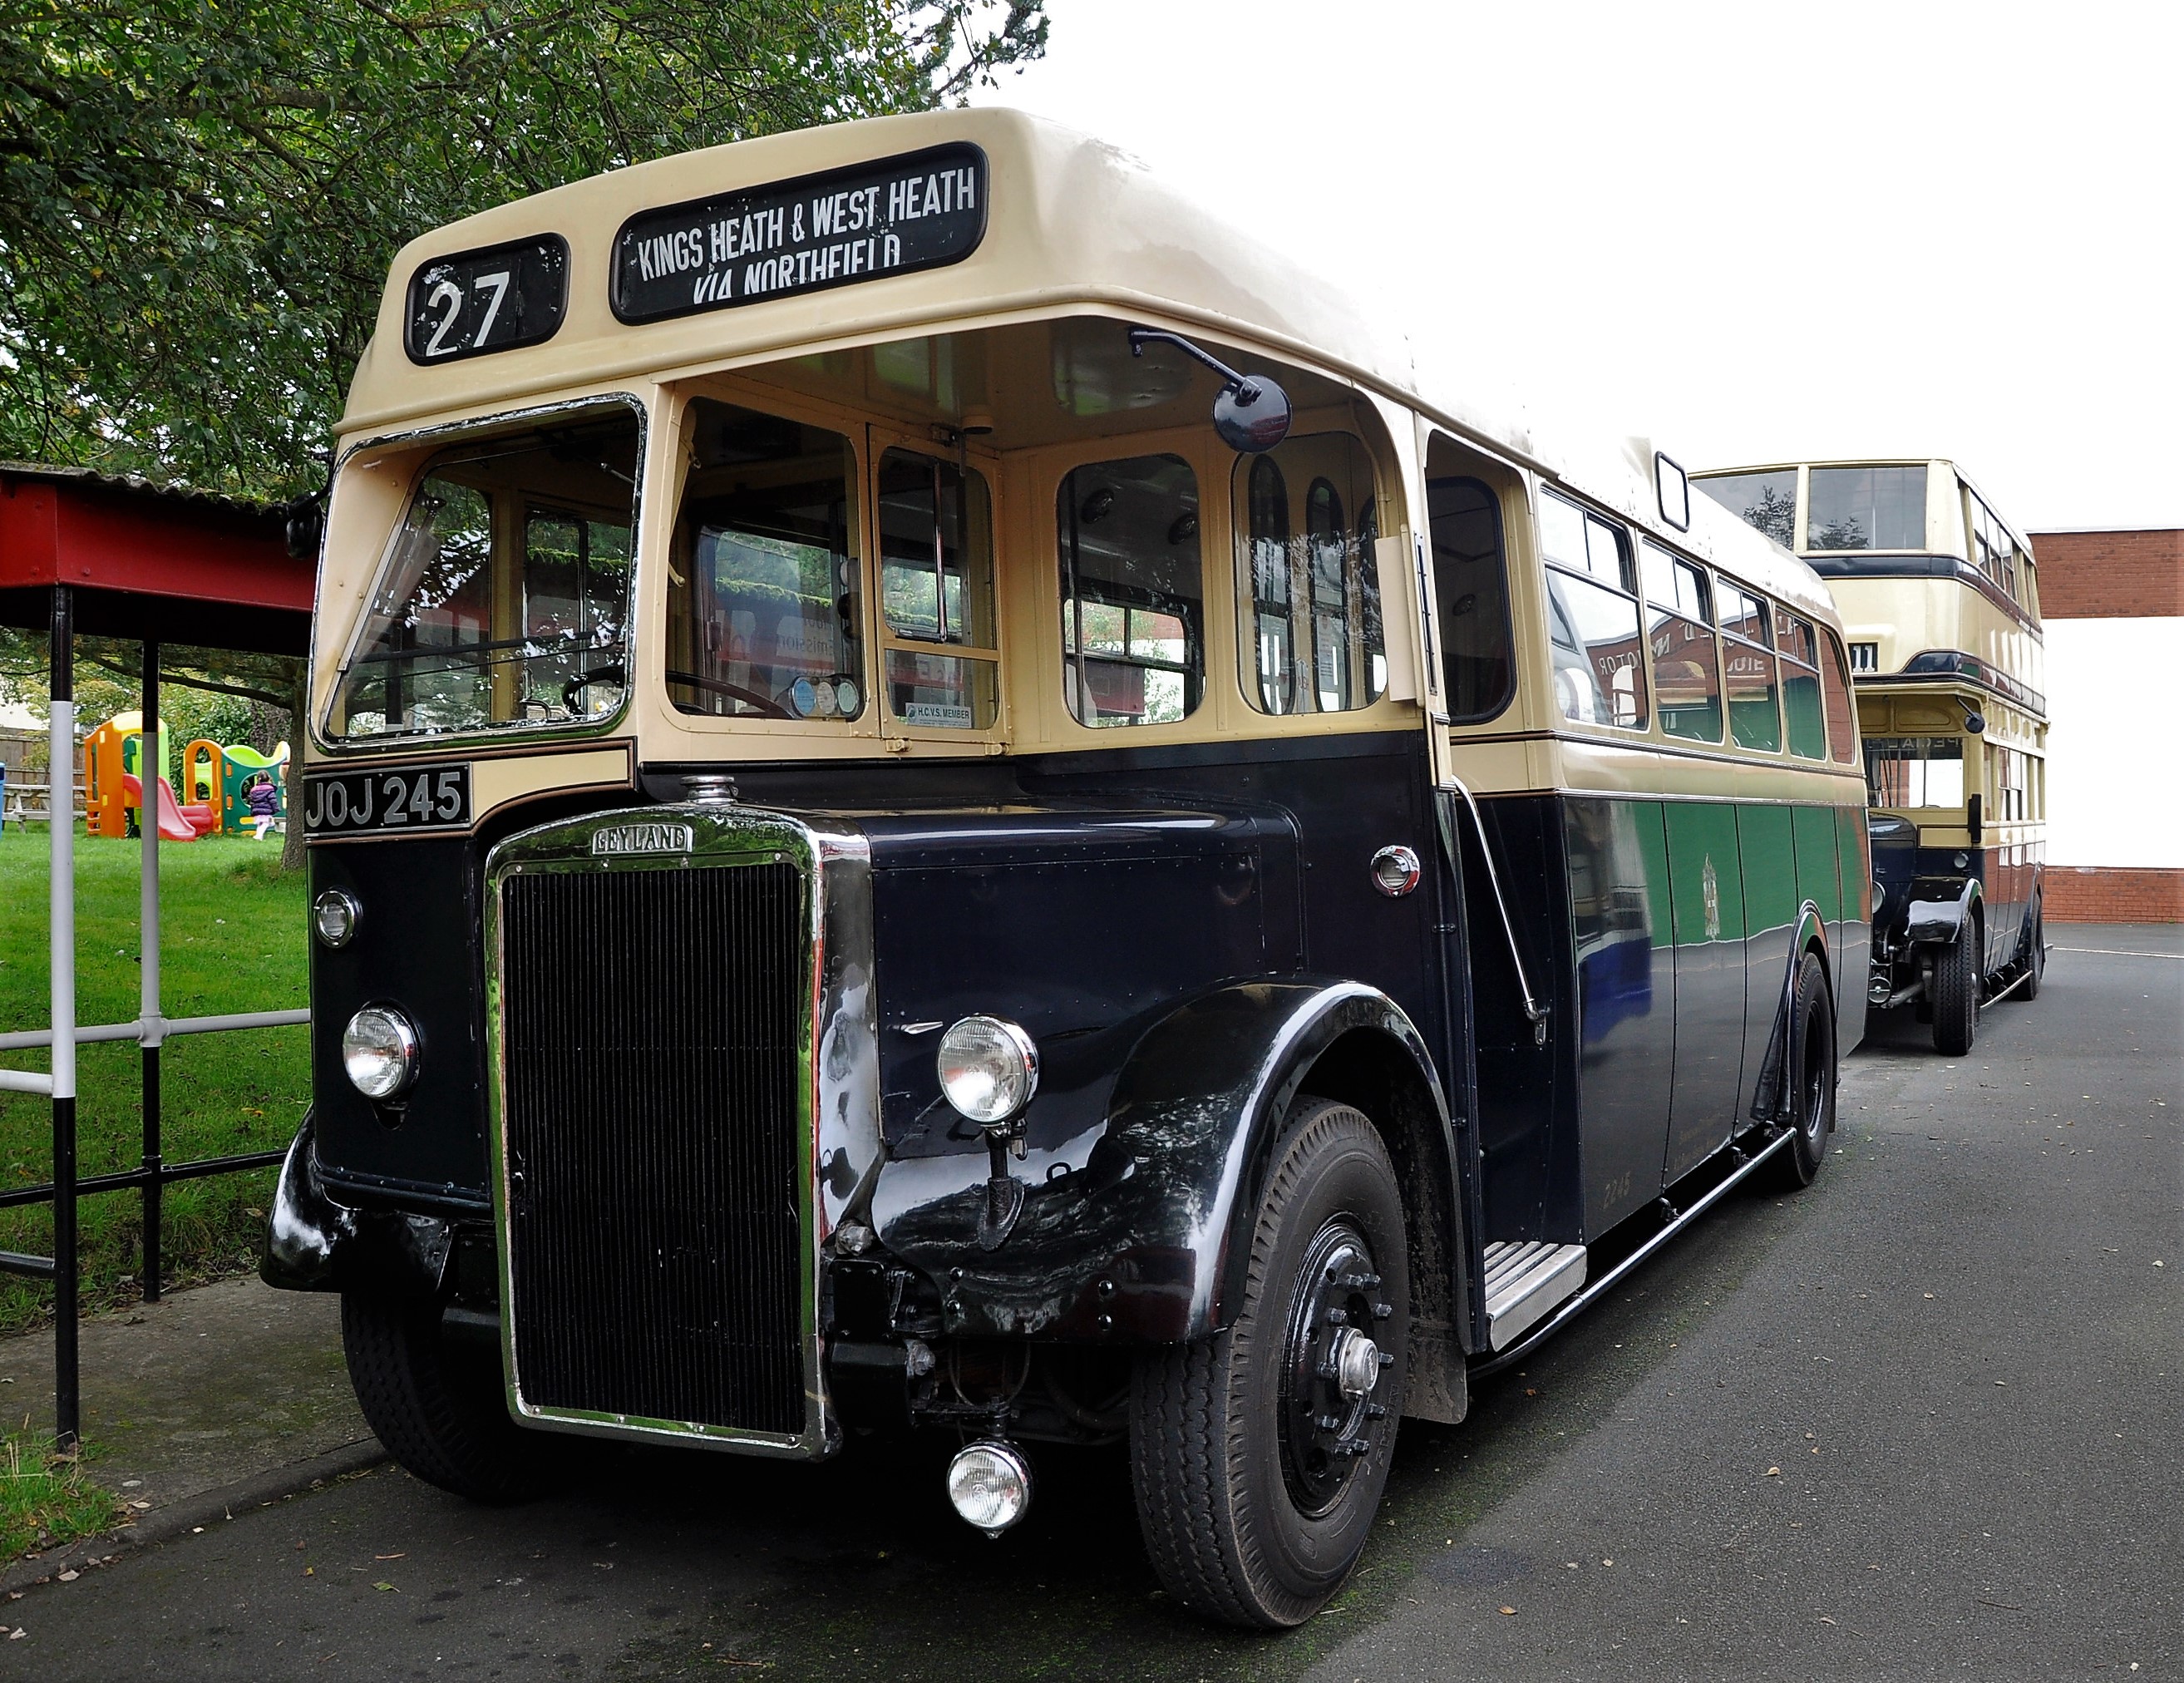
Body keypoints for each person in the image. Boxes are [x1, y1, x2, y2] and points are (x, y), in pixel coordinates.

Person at [245, 772, 281, 840]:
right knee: (267, 823)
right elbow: (272, 799)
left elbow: (252, 800)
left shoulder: (254, 789)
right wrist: (276, 808)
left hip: (257, 810)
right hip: (266, 810)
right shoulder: (269, 788)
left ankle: (259, 836)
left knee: (261, 823)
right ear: (268, 779)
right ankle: (258, 836)